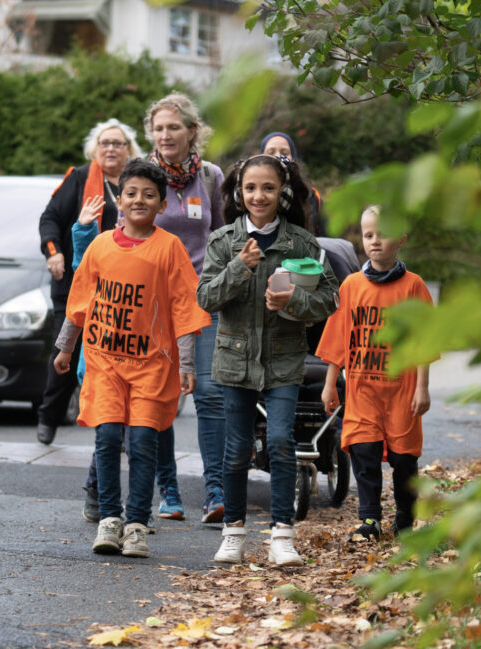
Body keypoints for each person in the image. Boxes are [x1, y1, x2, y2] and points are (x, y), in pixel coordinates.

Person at [53, 159, 211, 558]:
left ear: (161, 205)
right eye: (131, 193)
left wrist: (188, 365)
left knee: (143, 443)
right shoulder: (101, 245)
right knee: (107, 439)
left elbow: (183, 309)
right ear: (118, 200)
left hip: (151, 368)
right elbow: (80, 303)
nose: (139, 200)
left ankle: (137, 523)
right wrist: (65, 348)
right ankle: (110, 519)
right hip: (105, 363)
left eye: (149, 195)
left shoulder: (170, 248)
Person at [197, 154, 339, 566]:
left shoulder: (303, 243)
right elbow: (205, 298)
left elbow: (330, 299)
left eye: (269, 188)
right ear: (240, 194)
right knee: (237, 448)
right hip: (235, 360)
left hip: (284, 359)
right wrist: (240, 268)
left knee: (280, 441)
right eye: (251, 188)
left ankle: (282, 536)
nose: (259, 196)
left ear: (283, 192)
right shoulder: (223, 241)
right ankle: (234, 532)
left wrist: (293, 299)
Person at [315, 205, 433, 541]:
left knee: (403, 459)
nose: (375, 241)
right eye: (368, 235)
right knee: (363, 454)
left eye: (383, 234)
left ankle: (406, 520)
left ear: (401, 240)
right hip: (362, 389)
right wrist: (329, 384)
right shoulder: (351, 286)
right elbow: (338, 337)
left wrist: (422, 388)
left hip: (402, 390)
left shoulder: (414, 287)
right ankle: (369, 521)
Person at [144, 93, 227, 523]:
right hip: (155, 306)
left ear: (192, 131)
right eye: (159, 128)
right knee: (161, 398)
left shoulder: (211, 178)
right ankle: (169, 492)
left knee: (210, 396)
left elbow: (223, 235)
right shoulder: (142, 175)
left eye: (174, 127)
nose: (165, 134)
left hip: (204, 300)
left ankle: (215, 492)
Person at [37, 119, 143, 445]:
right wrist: (53, 252)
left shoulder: (136, 182)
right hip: (76, 283)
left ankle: (118, 428)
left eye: (117, 143)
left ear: (129, 150)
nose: (110, 149)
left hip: (122, 290)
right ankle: (49, 416)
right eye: (104, 143)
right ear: (95, 149)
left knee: (120, 358)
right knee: (64, 351)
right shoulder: (80, 177)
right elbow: (50, 218)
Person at [260, 131, 327, 236]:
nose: (278, 157)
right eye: (271, 153)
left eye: (284, 153)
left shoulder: (311, 196)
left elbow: (326, 237)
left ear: (293, 158)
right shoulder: (251, 196)